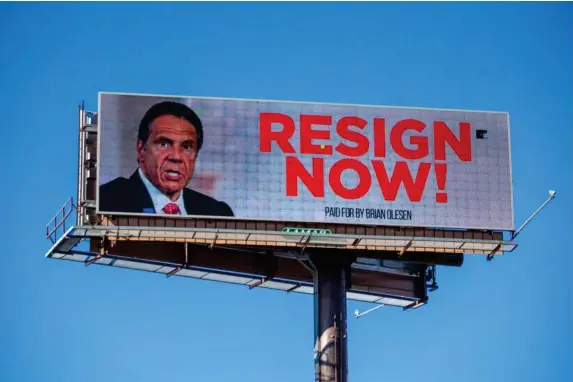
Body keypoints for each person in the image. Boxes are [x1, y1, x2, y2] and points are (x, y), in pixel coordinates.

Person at [98, 100, 234, 217]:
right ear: (141, 149)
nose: (176, 156)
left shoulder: (217, 213)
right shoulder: (106, 201)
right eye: (163, 144)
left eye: (187, 147)